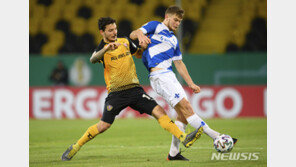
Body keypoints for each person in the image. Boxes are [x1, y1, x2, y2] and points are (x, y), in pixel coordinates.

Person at [61, 17, 203, 161]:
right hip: (116, 94)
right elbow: (92, 59)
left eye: (115, 29)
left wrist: (143, 46)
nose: (114, 32)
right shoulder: (102, 49)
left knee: (159, 112)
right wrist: (106, 49)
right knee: (103, 126)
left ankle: (184, 137)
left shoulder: (124, 41)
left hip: (135, 90)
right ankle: (76, 147)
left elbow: (139, 54)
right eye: (110, 30)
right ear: (102, 32)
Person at [130, 5, 237, 161]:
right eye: (175, 20)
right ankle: (217, 137)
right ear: (167, 17)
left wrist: (191, 83)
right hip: (160, 75)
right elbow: (133, 33)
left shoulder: (174, 39)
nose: (177, 23)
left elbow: (179, 63)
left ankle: (173, 153)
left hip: (169, 75)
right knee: (187, 107)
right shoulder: (155, 26)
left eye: (179, 21)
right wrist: (140, 36)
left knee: (183, 114)